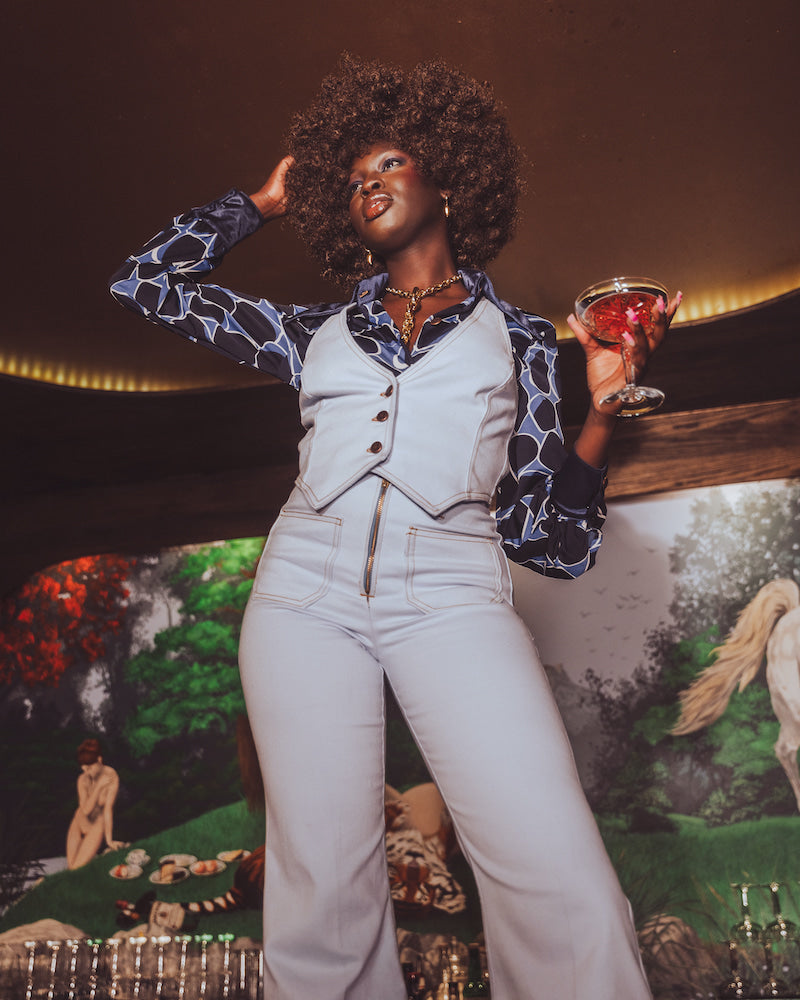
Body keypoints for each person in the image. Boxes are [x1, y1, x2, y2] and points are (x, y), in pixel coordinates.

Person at [109, 55, 680, 1000]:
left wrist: (602, 415)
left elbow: (552, 542)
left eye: (389, 162)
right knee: (322, 892)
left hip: (451, 596)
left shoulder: (531, 344)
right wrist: (257, 204)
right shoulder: (314, 331)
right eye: (353, 175)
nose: (367, 182)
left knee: (557, 872)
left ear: (448, 180)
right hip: (301, 596)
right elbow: (146, 283)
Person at [66, 738, 124, 869]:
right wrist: (98, 787)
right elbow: (86, 810)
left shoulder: (112, 776)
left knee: (75, 868)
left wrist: (109, 840)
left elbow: (108, 809)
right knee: (71, 866)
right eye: (84, 768)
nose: (87, 772)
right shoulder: (82, 779)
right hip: (79, 820)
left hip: (97, 823)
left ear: (99, 760)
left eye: (90, 767)